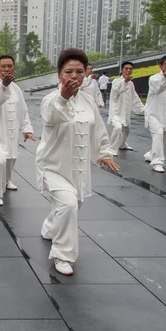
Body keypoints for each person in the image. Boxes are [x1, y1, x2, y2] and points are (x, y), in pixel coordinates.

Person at [36, 49, 119, 276]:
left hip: (79, 169)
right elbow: (51, 116)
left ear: (86, 74)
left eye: (79, 71)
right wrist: (63, 97)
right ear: (59, 74)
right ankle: (62, 255)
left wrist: (104, 153)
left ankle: (50, 226)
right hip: (53, 166)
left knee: (73, 204)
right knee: (68, 204)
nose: (74, 76)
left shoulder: (89, 101)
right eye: (68, 71)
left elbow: (98, 130)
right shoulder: (51, 100)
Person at [0, 56, 37, 207]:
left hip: (12, 133)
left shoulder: (17, 89)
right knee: (0, 161)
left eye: (10, 66)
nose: (7, 69)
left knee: (10, 160)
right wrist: (4, 86)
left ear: (14, 68)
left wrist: (26, 129)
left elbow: (23, 111)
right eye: (3, 67)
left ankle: (7, 181)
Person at [108, 61, 145, 156]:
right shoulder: (116, 81)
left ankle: (122, 144)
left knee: (126, 129)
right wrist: (125, 81)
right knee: (118, 128)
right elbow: (117, 91)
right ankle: (112, 149)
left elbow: (135, 98)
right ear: (122, 70)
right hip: (116, 111)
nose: (128, 71)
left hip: (125, 112)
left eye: (130, 69)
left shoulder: (131, 84)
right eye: (126, 69)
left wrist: (142, 109)